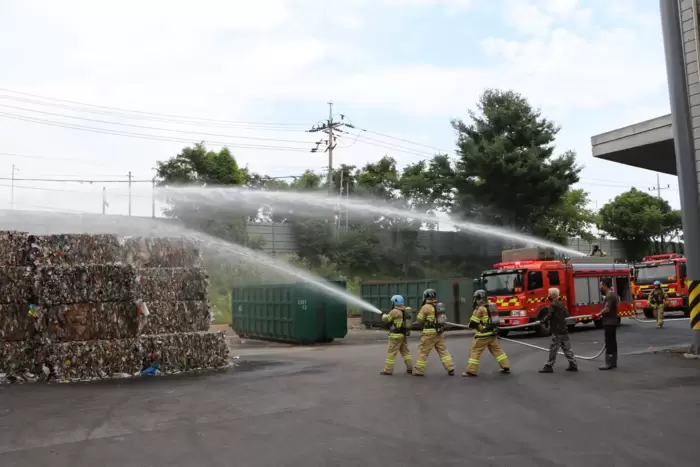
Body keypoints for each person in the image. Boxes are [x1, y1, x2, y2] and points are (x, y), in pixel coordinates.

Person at [463, 289, 510, 377]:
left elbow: (474, 323)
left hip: (483, 335)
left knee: (475, 351)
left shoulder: (479, 309)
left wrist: (469, 325)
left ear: (477, 298)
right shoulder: (490, 306)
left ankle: (471, 371)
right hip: (492, 334)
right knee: (497, 350)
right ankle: (505, 366)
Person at [413, 288, 455, 376]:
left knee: (423, 352)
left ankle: (419, 371)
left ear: (425, 297)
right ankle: (450, 368)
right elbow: (444, 319)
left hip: (429, 333)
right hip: (439, 332)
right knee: (443, 351)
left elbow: (419, 320)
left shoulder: (426, 307)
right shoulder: (439, 306)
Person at [538, 288, 578, 373]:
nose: (548, 295)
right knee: (566, 348)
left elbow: (549, 315)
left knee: (553, 349)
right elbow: (567, 315)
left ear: (552, 295)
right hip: (564, 329)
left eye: (549, 294)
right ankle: (573, 364)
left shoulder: (553, 305)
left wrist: (542, 321)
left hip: (556, 330)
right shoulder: (561, 304)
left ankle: (549, 365)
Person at [380, 295, 413, 376]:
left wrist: (382, 315)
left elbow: (386, 319)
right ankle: (410, 368)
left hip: (395, 336)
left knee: (391, 353)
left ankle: (388, 370)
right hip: (403, 335)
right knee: (406, 352)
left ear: (395, 302)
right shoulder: (404, 310)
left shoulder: (394, 311)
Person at [598, 279, 619, 370]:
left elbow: (607, 309)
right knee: (612, 343)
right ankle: (613, 362)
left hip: (609, 323)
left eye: (601, 286)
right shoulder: (611, 295)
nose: (600, 288)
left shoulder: (610, 296)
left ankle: (609, 363)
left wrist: (598, 314)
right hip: (611, 322)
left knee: (609, 343)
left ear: (605, 286)